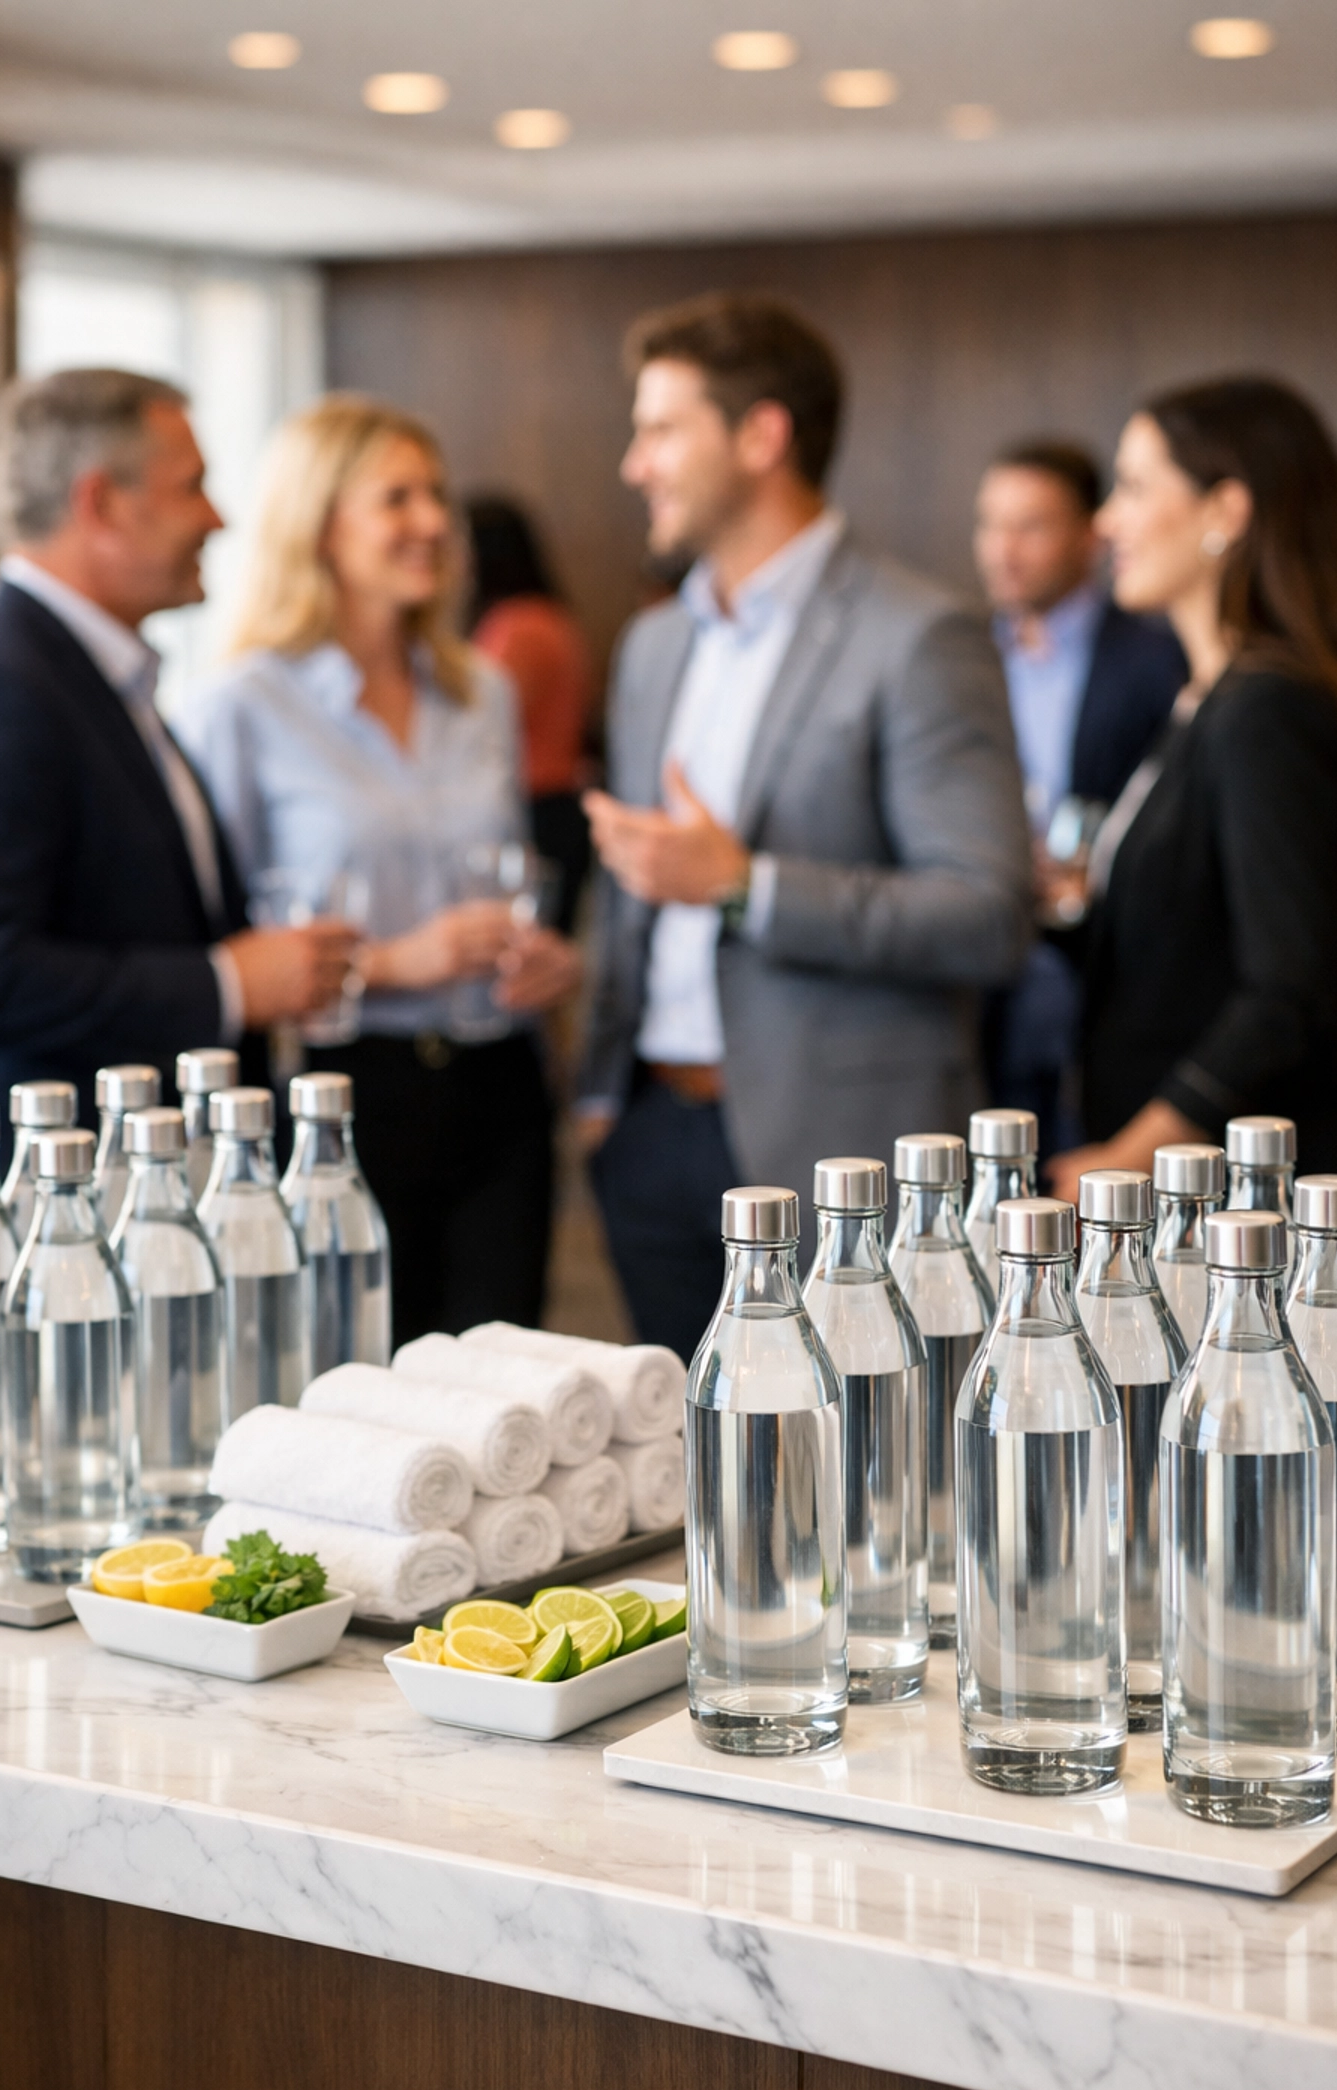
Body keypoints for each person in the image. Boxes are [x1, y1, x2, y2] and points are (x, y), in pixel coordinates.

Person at [578, 292, 1031, 1361]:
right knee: (682, 1495)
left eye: (660, 429)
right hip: (651, 1139)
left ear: (761, 435)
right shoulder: (652, 647)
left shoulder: (919, 635)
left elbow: (988, 912)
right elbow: (634, 884)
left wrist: (747, 885)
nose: (634, 464)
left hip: (837, 1160)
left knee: (853, 1502)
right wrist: (603, 1103)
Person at [186, 394, 582, 1345]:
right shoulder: (243, 703)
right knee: (356, 1384)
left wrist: (552, 962)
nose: (435, 523)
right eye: (397, 498)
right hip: (343, 1097)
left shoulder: (478, 690)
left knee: (504, 1380)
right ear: (317, 522)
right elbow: (221, 939)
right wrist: (399, 961)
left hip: (501, 1087)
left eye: (436, 495)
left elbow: (512, 872)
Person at [0, 367, 356, 1209]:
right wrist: (228, 985)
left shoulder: (97, 677)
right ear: (101, 504)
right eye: (193, 488)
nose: (218, 520)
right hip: (47, 1213)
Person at [1046, 376, 1337, 1202]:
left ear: (1225, 513)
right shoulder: (1206, 699)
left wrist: (1132, 1153)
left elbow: (1287, 992)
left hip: (1254, 1213)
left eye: (1132, 487)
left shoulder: (1265, 710)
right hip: (1200, 1195)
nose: (1104, 522)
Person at [974, 441, 1186, 1153]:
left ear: (1091, 534)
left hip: (1103, 969)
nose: (1004, 550)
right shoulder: (961, 654)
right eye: (991, 525)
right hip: (983, 962)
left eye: (1030, 526)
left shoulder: (1159, 658)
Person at [465, 495, 595, 934]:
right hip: (563, 804)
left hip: (534, 809)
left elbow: (476, 727)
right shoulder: (556, 618)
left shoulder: (514, 627)